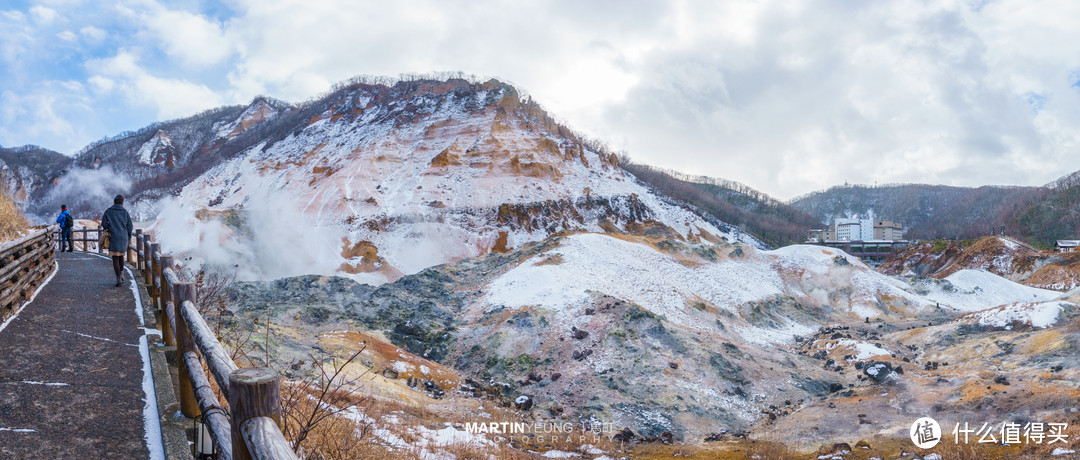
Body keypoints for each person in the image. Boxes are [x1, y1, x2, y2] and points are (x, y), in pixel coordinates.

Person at [101, 195, 133, 287]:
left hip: (113, 236)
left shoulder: (108, 211)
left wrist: (108, 228)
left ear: (114, 202)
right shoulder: (125, 212)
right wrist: (128, 236)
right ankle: (122, 274)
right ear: (122, 202)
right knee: (121, 256)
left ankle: (118, 278)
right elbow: (130, 226)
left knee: (115, 257)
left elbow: (104, 223)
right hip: (123, 237)